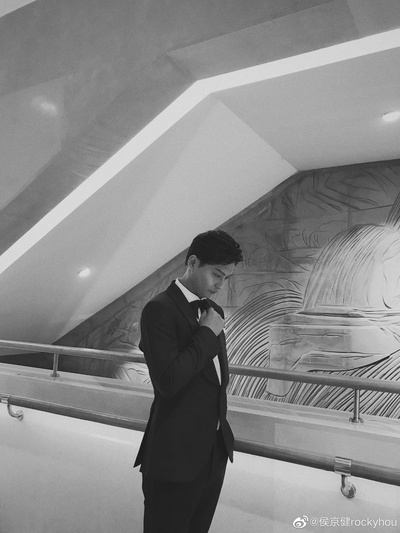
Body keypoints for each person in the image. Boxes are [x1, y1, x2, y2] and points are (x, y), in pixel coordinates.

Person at [134, 229, 243, 533]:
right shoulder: (159, 309)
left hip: (213, 453)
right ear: (193, 262)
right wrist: (206, 333)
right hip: (173, 457)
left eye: (227, 278)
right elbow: (168, 381)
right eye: (216, 274)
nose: (221, 284)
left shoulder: (213, 311)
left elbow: (215, 380)